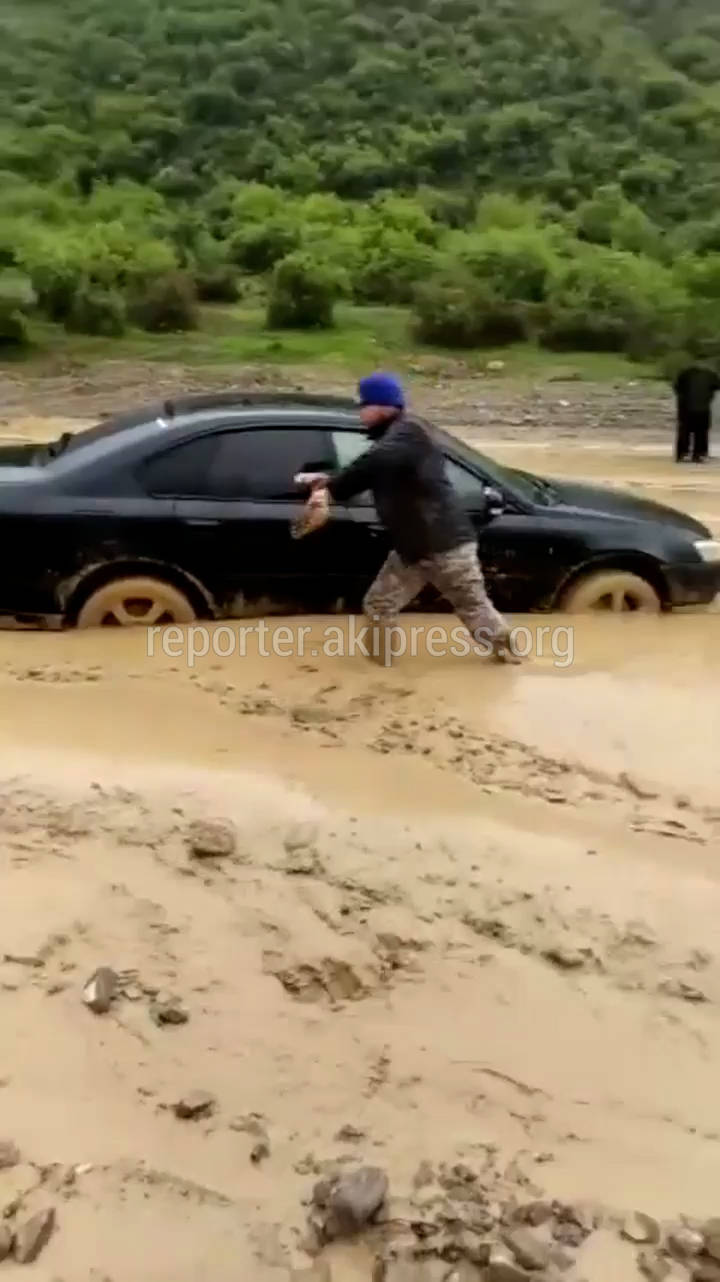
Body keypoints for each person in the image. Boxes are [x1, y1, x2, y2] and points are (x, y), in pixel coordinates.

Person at [294, 372, 520, 666]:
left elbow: (378, 461)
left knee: (471, 608)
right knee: (382, 605)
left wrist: (331, 490)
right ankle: (381, 666)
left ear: (383, 406)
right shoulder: (398, 437)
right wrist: (328, 486)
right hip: (416, 547)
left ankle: (510, 657)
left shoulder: (408, 432)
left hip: (442, 547)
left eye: (364, 405)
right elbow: (373, 471)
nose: (360, 411)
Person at [673, 363, 719, 463]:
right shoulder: (710, 374)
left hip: (686, 408)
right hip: (703, 408)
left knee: (684, 431)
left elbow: (677, 388)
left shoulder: (685, 373)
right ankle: (699, 454)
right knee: (701, 432)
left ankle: (683, 454)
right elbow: (716, 387)